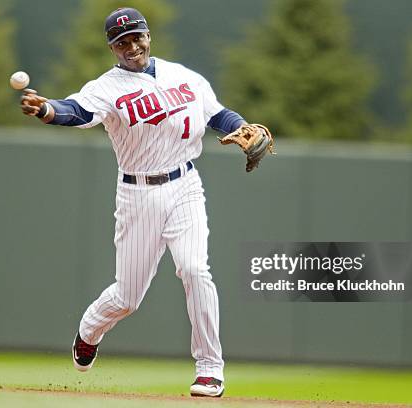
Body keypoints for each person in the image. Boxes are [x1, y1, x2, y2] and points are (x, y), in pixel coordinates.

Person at [20, 7, 250, 398]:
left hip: (185, 185)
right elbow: (75, 111)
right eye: (121, 42)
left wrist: (242, 126)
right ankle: (89, 331)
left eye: (136, 37)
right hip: (137, 193)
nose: (131, 46)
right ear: (112, 48)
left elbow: (218, 115)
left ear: (148, 36)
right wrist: (46, 109)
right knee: (128, 297)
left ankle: (210, 368)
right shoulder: (107, 87)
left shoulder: (185, 76)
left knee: (195, 270)